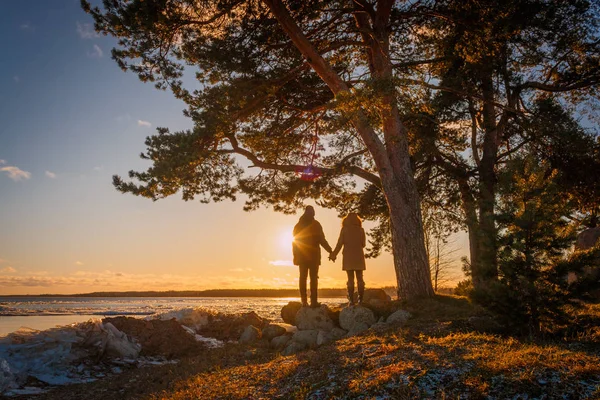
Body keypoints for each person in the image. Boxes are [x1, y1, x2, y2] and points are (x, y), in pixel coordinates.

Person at [292, 206, 333, 308]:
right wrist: (330, 251)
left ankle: (304, 301)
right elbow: (322, 240)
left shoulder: (298, 225)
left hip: (303, 257)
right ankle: (313, 302)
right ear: (313, 213)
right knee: (313, 279)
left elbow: (294, 243)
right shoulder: (316, 225)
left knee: (303, 278)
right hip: (313, 257)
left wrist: (295, 257)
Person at [329, 213, 366, 305]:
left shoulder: (344, 230)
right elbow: (363, 244)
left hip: (348, 257)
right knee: (360, 278)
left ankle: (351, 301)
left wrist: (333, 255)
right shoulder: (361, 230)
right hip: (359, 257)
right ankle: (361, 299)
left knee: (350, 279)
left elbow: (339, 244)